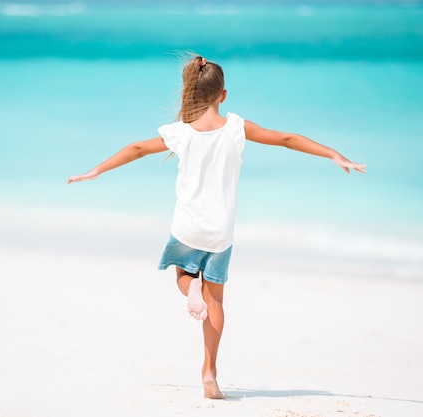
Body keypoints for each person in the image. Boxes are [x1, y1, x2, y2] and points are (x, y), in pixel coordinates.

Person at [66, 55, 366, 400]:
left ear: (190, 92)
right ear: (222, 95)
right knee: (217, 300)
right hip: (221, 231)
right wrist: (334, 155)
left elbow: (136, 149)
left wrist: (97, 170)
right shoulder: (238, 127)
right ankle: (210, 372)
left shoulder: (179, 134)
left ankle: (190, 287)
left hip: (188, 226)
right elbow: (285, 139)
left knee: (182, 276)